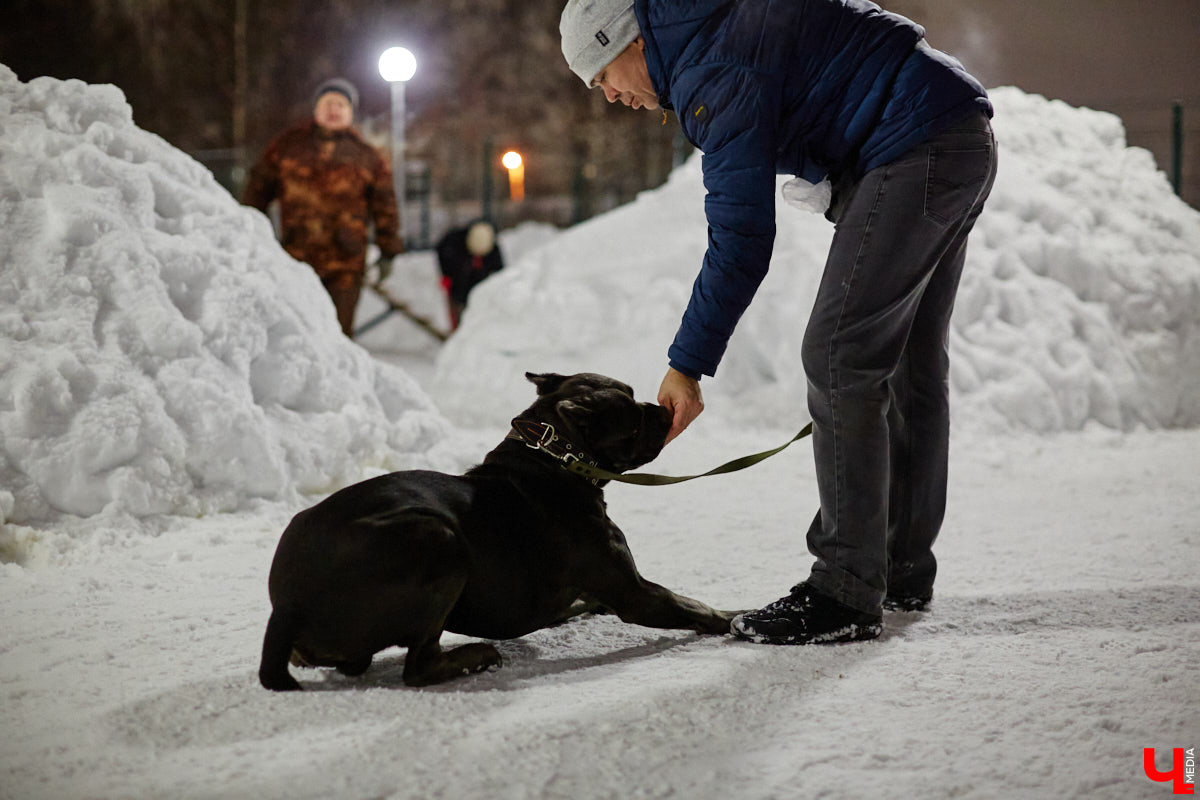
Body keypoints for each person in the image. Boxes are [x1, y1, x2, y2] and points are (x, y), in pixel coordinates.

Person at [559, 0, 997, 645]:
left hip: (917, 143)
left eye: (601, 75)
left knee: (840, 356)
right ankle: (896, 565)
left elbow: (740, 239)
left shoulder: (712, 68)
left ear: (629, 42)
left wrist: (686, 364)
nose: (608, 95)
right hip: (947, 132)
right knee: (907, 363)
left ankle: (844, 590)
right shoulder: (713, 35)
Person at [243, 78, 404, 337]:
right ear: (316, 109)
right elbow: (257, 192)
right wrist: (250, 233)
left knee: (338, 337)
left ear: (350, 112)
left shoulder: (367, 156)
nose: (334, 109)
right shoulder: (288, 147)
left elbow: (385, 206)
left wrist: (389, 249)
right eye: (328, 103)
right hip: (295, 259)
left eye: (340, 104)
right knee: (295, 334)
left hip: (346, 265)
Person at [435, 219, 505, 330]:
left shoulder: (492, 248)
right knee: (457, 310)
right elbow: (443, 257)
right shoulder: (453, 243)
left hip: (479, 284)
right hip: (458, 284)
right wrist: (446, 275)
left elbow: (500, 271)